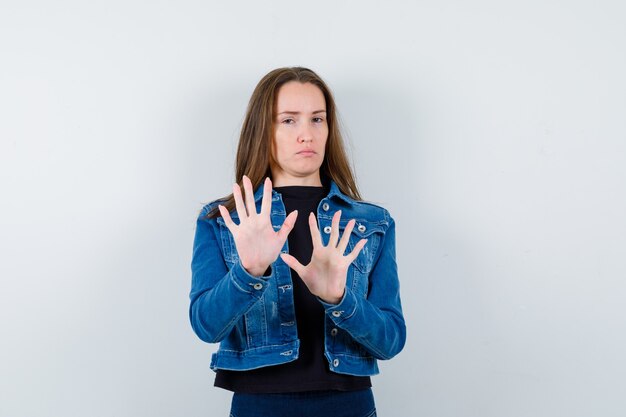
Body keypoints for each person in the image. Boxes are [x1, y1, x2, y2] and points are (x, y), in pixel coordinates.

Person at [189, 67, 406, 417]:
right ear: (264, 130)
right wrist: (249, 272)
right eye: (288, 121)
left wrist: (339, 299)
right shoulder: (224, 220)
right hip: (257, 406)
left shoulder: (372, 222)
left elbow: (391, 340)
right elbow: (206, 325)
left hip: (348, 406)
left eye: (317, 119)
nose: (307, 134)